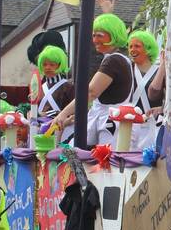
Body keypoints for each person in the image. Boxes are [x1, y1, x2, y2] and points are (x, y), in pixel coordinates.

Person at [50, 13, 133, 146]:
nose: (95, 40)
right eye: (93, 35)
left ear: (113, 35)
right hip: (106, 121)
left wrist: (63, 114)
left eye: (99, 35)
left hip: (110, 124)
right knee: (72, 151)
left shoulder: (113, 61)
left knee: (74, 154)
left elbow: (91, 92)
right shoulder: (119, 59)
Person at [127, 29, 164, 149]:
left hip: (152, 125)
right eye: (130, 46)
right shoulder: (127, 69)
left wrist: (161, 108)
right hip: (128, 124)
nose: (132, 50)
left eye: (137, 46)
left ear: (148, 49)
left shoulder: (160, 71)